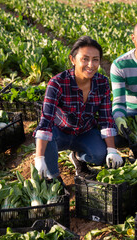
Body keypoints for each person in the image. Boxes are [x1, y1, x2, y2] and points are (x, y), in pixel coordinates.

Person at [33, 36, 123, 180]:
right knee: (48, 138)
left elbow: (106, 118)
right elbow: (46, 122)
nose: (90, 65)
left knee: (100, 154)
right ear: (73, 59)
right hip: (59, 133)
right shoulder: (57, 83)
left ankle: (78, 159)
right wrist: (39, 158)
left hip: (84, 132)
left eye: (95, 60)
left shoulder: (102, 83)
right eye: (85, 59)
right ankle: (54, 178)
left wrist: (112, 150)